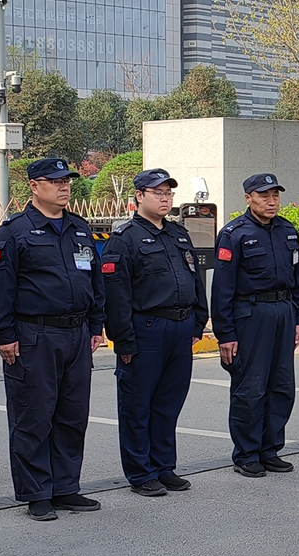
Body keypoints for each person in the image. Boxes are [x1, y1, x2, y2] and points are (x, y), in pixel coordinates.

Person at [0, 158, 106, 521]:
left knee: (72, 414)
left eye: (67, 180)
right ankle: (37, 492)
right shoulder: (15, 231)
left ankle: (66, 487)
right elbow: (2, 288)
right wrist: (4, 334)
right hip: (34, 333)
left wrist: (96, 325)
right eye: (55, 181)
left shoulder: (80, 229)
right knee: (33, 414)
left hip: (76, 333)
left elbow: (94, 283)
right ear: (35, 186)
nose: (64, 186)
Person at [102, 169, 209, 497]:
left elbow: (195, 279)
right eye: (157, 193)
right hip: (146, 330)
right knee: (138, 405)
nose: (164, 198)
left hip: (179, 328)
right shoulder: (125, 239)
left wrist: (198, 321)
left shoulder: (178, 234)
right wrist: (123, 339)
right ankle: (141, 471)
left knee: (168, 403)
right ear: (139, 196)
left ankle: (164, 466)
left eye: (168, 193)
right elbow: (116, 294)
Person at [211, 173, 299, 477]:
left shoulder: (288, 231)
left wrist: (297, 318)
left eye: (275, 195)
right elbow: (222, 288)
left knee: (281, 386)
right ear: (248, 198)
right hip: (250, 314)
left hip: (282, 312)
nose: (271, 201)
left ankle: (269, 449)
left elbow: (298, 280)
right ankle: (247, 453)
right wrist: (225, 333)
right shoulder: (234, 233)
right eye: (264, 195)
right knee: (250, 388)